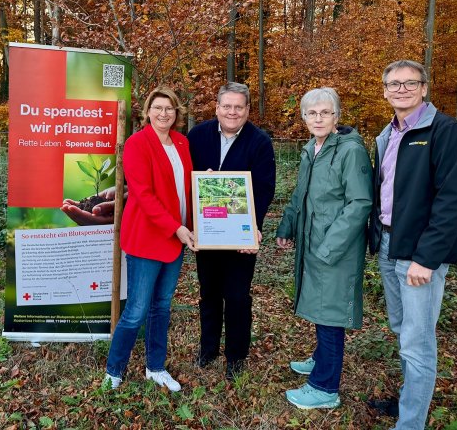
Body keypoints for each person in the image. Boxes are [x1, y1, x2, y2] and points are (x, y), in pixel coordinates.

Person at [367, 60, 457, 429]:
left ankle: (411, 424)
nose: (402, 90)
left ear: (424, 88)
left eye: (410, 83)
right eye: (393, 84)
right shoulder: (389, 134)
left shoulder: (445, 132)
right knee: (401, 329)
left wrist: (426, 259)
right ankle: (409, 404)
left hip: (418, 253)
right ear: (384, 91)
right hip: (388, 244)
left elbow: (452, 202)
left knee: (418, 341)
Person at [275, 88, 373, 409]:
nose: (318, 118)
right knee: (319, 305)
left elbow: (359, 203)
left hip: (336, 248)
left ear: (337, 116)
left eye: (325, 113)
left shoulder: (350, 151)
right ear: (304, 117)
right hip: (312, 242)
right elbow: (300, 195)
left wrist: (329, 246)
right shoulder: (310, 150)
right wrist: (287, 225)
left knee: (330, 312)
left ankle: (324, 388)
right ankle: (320, 360)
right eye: (312, 113)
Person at [103, 86, 197, 392]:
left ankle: (155, 367)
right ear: (148, 112)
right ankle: (114, 370)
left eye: (169, 109)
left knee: (162, 307)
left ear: (177, 113)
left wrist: (204, 191)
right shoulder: (137, 143)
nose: (163, 113)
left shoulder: (181, 143)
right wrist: (177, 228)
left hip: (175, 239)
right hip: (148, 238)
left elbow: (184, 186)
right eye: (157, 108)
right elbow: (143, 194)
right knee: (137, 311)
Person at [188, 82, 276, 379]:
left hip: (240, 236)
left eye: (239, 107)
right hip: (208, 230)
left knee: (237, 296)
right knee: (208, 292)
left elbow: (264, 189)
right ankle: (208, 348)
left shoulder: (259, 142)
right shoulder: (198, 136)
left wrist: (253, 229)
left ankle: (236, 355)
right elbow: (186, 180)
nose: (232, 112)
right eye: (227, 106)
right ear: (217, 108)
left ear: (248, 110)